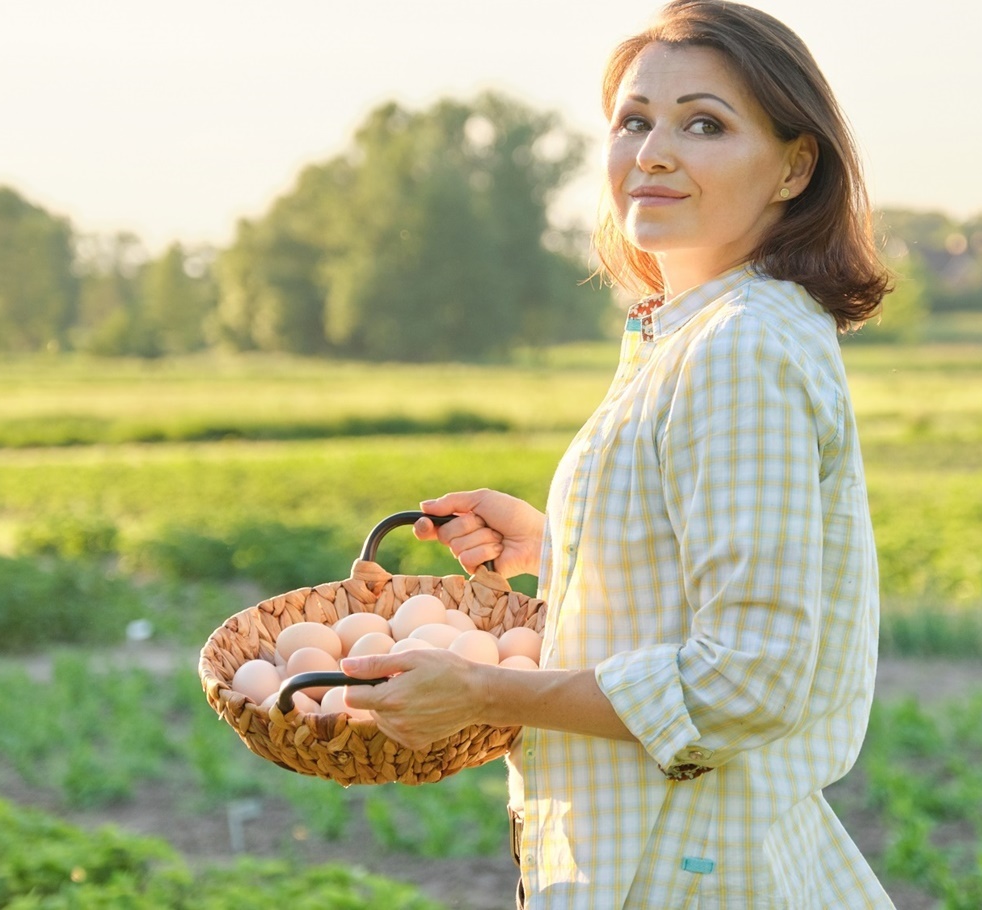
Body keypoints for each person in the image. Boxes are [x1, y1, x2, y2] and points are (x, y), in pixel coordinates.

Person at [341, 1, 896, 906]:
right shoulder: (699, 333)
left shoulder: (738, 348)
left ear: (796, 166)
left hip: (685, 862)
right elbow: (700, 583)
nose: (652, 153)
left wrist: (485, 690)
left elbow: (748, 677)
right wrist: (555, 546)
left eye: (703, 124)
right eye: (633, 121)